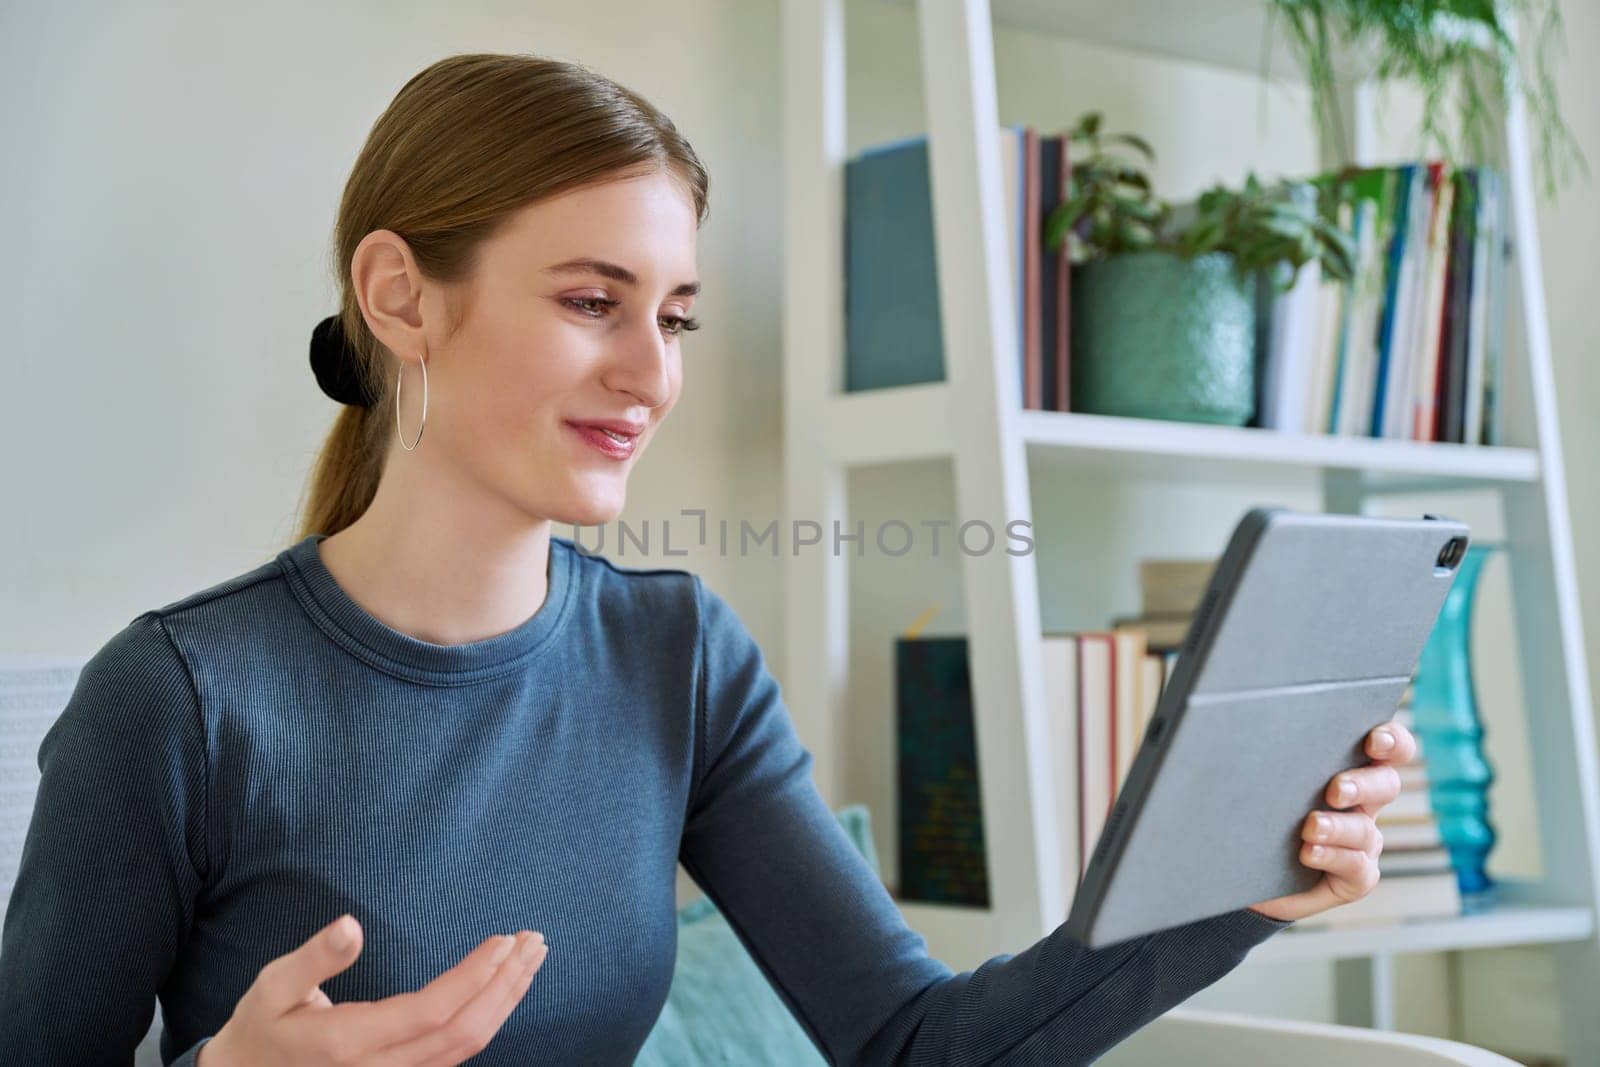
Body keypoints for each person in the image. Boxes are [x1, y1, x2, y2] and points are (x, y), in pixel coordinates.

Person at [0, 52, 1417, 1067]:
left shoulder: (675, 659)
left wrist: (1240, 892)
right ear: (398, 295)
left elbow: (911, 1041)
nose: (647, 373)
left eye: (673, 316)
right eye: (589, 301)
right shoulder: (177, 700)